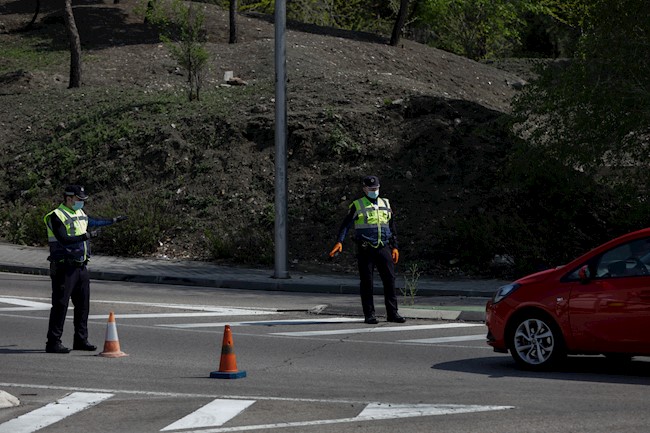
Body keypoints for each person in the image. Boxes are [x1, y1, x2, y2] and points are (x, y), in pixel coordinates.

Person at [44, 185, 128, 354]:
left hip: (81, 266)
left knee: (83, 306)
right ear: (69, 198)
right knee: (60, 305)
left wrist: (113, 220)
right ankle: (53, 342)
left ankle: (80, 340)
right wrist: (87, 236)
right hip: (63, 267)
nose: (81, 203)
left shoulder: (80, 213)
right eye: (79, 199)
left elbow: (94, 221)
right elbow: (64, 239)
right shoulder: (56, 216)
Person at [329, 175, 405, 324]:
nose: (374, 191)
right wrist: (339, 242)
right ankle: (369, 314)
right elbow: (346, 225)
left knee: (390, 280)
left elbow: (392, 226)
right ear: (364, 189)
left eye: (376, 188)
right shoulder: (357, 205)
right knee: (367, 282)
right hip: (365, 248)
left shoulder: (386, 203)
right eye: (371, 189)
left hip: (383, 246)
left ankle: (392, 313)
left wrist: (395, 246)